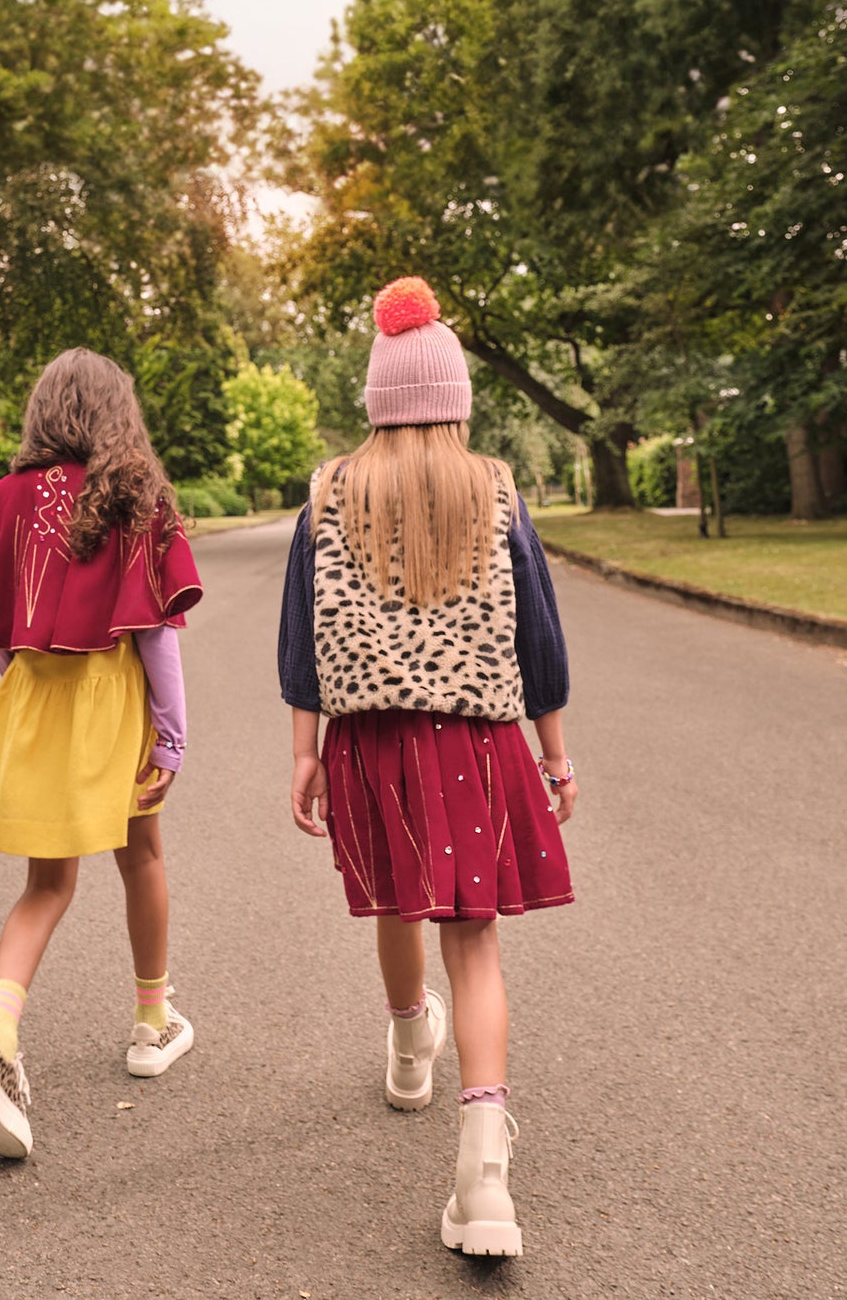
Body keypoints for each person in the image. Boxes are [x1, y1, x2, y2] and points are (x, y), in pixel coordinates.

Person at [277, 276, 578, 1259]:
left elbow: (299, 635)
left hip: (368, 738)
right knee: (473, 936)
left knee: (402, 901)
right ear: (453, 396)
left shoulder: (330, 490)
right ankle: (483, 1164)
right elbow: (537, 631)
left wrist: (304, 754)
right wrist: (554, 755)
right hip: (477, 736)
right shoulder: (491, 487)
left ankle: (411, 1042)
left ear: (376, 397)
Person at [0, 348, 203, 1160]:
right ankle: (151, 1023)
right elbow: (155, 633)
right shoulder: (138, 499)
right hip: (110, 701)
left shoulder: (5, 500)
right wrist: (170, 731)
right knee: (142, 854)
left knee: (45, 883)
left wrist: (31, 681)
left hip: (33, 696)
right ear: (116, 413)